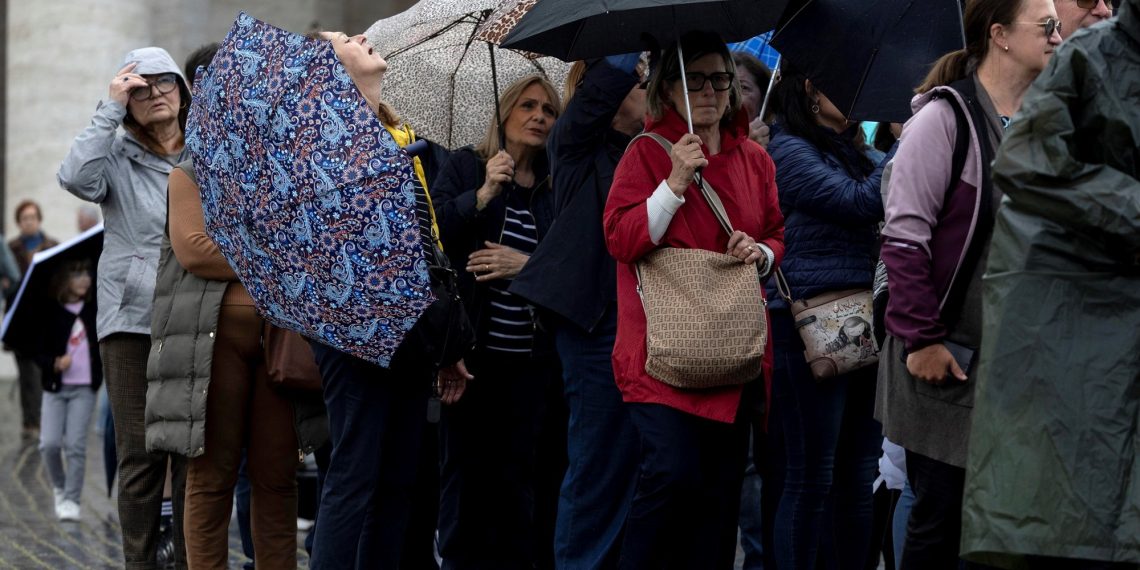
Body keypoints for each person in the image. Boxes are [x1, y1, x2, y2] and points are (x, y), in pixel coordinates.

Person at [875, 0, 1061, 567]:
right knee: (941, 521)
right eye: (1046, 26)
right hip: (945, 359)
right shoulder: (944, 119)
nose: (1058, 36)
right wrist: (922, 340)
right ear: (1000, 35)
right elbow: (904, 240)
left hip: (1015, 366)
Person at [961, 0, 1139, 567]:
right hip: (1078, 337)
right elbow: (1027, 160)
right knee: (1073, 523)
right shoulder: (1093, 58)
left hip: (1094, 336)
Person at [604, 31, 784, 569]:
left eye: (721, 80)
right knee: (671, 477)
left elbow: (776, 232)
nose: (710, 91)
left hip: (731, 353)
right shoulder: (646, 152)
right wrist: (674, 183)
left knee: (719, 496)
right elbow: (620, 238)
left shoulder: (755, 159)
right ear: (669, 89)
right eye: (695, 79)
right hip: (662, 353)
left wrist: (761, 253)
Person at [297, 31, 471, 570]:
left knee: (398, 477)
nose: (362, 36)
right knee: (355, 475)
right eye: (345, 39)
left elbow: (429, 240)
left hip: (412, 320)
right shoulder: (323, 136)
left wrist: (447, 338)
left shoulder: (397, 131)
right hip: (356, 322)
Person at [509, 54, 647, 570]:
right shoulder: (578, 146)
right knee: (599, 467)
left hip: (643, 325)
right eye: (639, 86)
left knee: (636, 470)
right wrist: (629, 48)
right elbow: (597, 95)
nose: (647, 92)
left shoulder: (649, 152)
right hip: (595, 325)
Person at [57, 46, 191, 570]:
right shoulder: (113, 153)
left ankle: (186, 559)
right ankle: (139, 561)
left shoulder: (204, 152)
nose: (156, 94)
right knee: (139, 454)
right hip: (130, 318)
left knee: (186, 452)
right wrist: (108, 107)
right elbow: (73, 177)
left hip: (194, 316)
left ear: (182, 91)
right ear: (128, 102)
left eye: (165, 84)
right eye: (141, 89)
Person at [763, 61, 895, 570]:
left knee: (858, 474)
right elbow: (861, 201)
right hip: (808, 324)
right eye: (846, 82)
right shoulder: (788, 149)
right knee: (811, 475)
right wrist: (909, 141)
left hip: (859, 319)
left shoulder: (854, 151)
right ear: (812, 88)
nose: (860, 92)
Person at [431, 73, 562, 570]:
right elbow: (435, 234)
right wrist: (482, 194)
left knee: (523, 479)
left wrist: (525, 266)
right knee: (466, 478)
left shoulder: (555, 183)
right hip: (474, 355)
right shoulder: (469, 165)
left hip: (535, 361)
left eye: (548, 110)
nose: (539, 118)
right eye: (527, 106)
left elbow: (572, 259)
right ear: (504, 114)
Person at [34, 260, 100, 522]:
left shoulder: (93, 310)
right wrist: (54, 363)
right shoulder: (51, 312)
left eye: (86, 273)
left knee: (75, 445)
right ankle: (59, 488)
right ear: (63, 280)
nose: (84, 279)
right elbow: (38, 351)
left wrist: (98, 376)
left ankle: (72, 499)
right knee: (48, 445)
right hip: (55, 388)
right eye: (76, 273)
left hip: (83, 389)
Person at [8, 199, 60, 439]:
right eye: (24, 218)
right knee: (25, 374)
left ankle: (45, 421)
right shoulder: (11, 249)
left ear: (39, 219)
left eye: (32, 217)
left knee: (44, 371)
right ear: (19, 222)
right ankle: (29, 422)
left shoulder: (52, 246)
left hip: (46, 321)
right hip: (20, 321)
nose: (29, 222)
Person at [732, 52, 773, 149]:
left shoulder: (780, 146)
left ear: (764, 100)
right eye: (726, 86)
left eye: (743, 87)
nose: (730, 96)